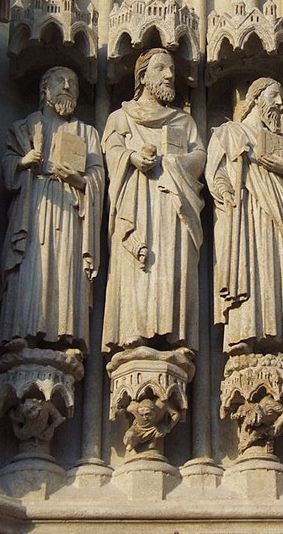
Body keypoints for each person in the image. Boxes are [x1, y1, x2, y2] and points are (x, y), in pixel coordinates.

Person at [102, 48, 206, 352]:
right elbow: (111, 153)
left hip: (173, 207)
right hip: (136, 204)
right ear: (142, 76)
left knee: (170, 267)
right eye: (161, 69)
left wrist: (174, 163)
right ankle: (132, 334)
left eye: (171, 69)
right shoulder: (120, 118)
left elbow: (198, 155)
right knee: (138, 266)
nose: (169, 75)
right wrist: (132, 157)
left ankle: (173, 335)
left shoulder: (183, 122)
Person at [0, 66, 104, 353]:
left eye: (74, 83)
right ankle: (22, 330)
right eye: (60, 81)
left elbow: (97, 177)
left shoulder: (87, 133)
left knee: (64, 264)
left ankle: (65, 334)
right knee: (34, 262)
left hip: (70, 208)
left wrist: (78, 179)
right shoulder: (25, 127)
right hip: (35, 204)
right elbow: (6, 167)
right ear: (45, 90)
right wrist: (23, 162)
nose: (68, 86)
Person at [206, 78, 283, 355]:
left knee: (278, 266)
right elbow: (215, 171)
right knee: (250, 266)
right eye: (274, 96)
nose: (280, 104)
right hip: (247, 214)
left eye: (282, 99)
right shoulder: (230, 132)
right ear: (255, 99)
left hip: (282, 216)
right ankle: (244, 330)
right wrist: (224, 191)